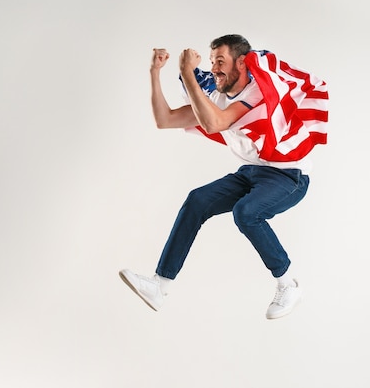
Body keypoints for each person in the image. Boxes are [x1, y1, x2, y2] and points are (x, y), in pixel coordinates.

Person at [119, 34, 320, 320]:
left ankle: (288, 285)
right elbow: (165, 120)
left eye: (220, 61)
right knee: (197, 200)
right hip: (252, 172)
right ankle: (159, 286)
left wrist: (187, 71)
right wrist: (155, 73)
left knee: (246, 212)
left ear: (241, 62)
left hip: (288, 177)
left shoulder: (256, 92)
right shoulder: (217, 95)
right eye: (212, 61)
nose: (213, 68)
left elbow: (215, 123)